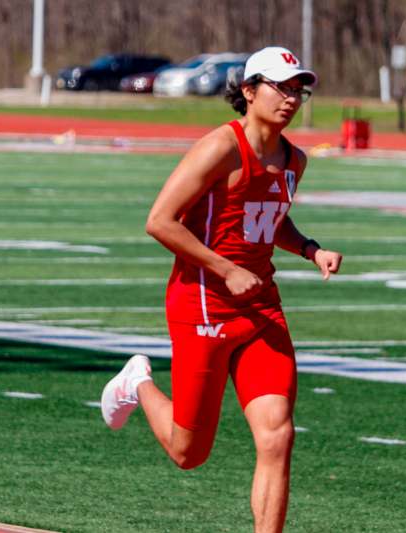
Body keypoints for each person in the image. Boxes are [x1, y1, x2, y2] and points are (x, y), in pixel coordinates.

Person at [100, 46, 343, 532]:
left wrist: (311, 249)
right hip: (203, 304)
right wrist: (224, 268)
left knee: (278, 436)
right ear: (249, 91)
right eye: (281, 86)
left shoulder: (295, 159)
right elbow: (159, 221)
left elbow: (268, 218)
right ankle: (137, 383)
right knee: (190, 453)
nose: (291, 98)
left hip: (261, 309)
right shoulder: (220, 147)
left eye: (299, 88)